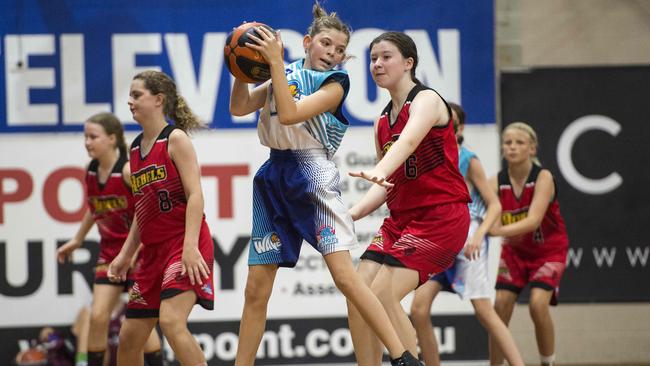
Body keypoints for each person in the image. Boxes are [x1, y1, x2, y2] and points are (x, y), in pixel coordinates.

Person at [229, 4, 420, 366]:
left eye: (339, 49)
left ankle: (403, 356)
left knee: (346, 279)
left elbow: (289, 114)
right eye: (326, 44)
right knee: (256, 290)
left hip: (312, 176)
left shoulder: (336, 83)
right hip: (273, 177)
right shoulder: (281, 74)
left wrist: (272, 65)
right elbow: (239, 108)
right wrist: (241, 66)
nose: (332, 53)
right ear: (307, 42)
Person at [346, 31, 471, 365]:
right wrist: (351, 213)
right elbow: (385, 184)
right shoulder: (381, 122)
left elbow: (409, 142)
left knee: (382, 294)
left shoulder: (427, 100)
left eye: (385, 56)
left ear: (409, 63)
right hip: (400, 221)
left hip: (440, 217)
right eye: (373, 58)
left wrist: (381, 168)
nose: (377, 64)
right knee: (358, 295)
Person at [107, 70, 214, 366]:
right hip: (153, 253)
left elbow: (196, 195)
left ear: (158, 100)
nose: (130, 101)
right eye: (130, 95)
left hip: (183, 245)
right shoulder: (134, 148)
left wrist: (190, 247)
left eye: (136, 95)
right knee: (129, 339)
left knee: (170, 322)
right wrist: (125, 255)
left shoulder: (175, 139)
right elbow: (144, 211)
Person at [409, 104, 524, 366]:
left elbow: (495, 205)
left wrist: (478, 235)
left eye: (447, 122)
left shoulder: (468, 159)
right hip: (438, 238)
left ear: (459, 128)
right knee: (418, 308)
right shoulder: (427, 156)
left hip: (466, 238)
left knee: (484, 311)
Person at [56, 113, 163, 366]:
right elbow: (95, 207)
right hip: (109, 254)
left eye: (93, 137)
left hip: (139, 255)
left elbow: (148, 210)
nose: (87, 142)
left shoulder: (127, 171)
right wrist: (78, 239)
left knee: (139, 325)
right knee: (98, 316)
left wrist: (132, 254)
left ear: (112, 139)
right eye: (85, 137)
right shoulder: (91, 170)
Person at [488, 122, 569, 366]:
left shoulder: (543, 178)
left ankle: (547, 362)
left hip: (548, 252)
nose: (512, 147)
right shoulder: (496, 181)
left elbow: (533, 221)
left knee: (537, 304)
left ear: (532, 149)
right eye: (508, 143)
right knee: (499, 306)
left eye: (519, 143)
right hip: (514, 253)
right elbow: (479, 210)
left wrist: (496, 230)